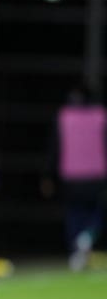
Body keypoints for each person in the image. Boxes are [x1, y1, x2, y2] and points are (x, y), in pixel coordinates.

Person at [42, 84, 107, 271]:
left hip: (71, 176)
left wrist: (48, 175)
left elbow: (54, 148)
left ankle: (76, 250)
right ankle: (86, 238)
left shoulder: (63, 117)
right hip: (96, 175)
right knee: (96, 213)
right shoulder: (101, 116)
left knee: (74, 214)